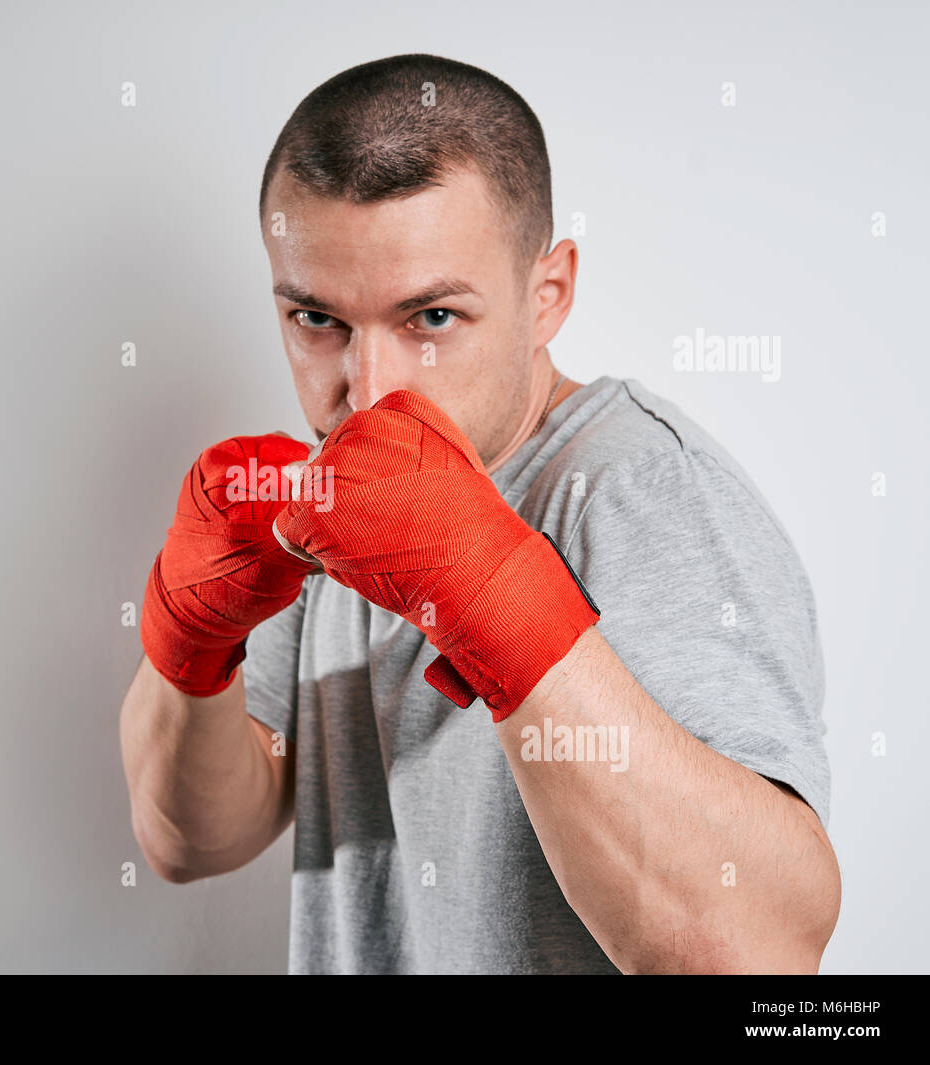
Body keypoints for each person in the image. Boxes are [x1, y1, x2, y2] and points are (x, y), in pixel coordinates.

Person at [118, 53, 841, 974]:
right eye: (316, 319)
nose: (369, 391)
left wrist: (494, 595)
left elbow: (759, 954)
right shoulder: (324, 500)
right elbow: (193, 841)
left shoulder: (642, 492)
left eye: (432, 318)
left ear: (549, 295)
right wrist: (191, 633)